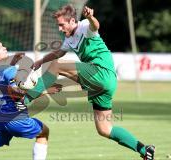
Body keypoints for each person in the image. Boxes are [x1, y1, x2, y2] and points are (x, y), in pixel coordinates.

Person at [24, 5, 155, 160]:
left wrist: (90, 17)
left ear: (72, 20)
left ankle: (24, 99)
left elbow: (95, 26)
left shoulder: (85, 26)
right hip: (106, 83)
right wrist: (40, 61)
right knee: (104, 129)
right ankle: (144, 150)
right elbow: (58, 52)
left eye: (61, 25)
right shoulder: (69, 38)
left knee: (56, 66)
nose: (60, 29)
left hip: (101, 72)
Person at [0, 37, 61, 160]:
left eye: (2, 45)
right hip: (15, 118)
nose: (4, 47)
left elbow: (3, 75)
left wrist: (14, 60)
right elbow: (18, 94)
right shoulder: (11, 70)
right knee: (44, 132)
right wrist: (45, 91)